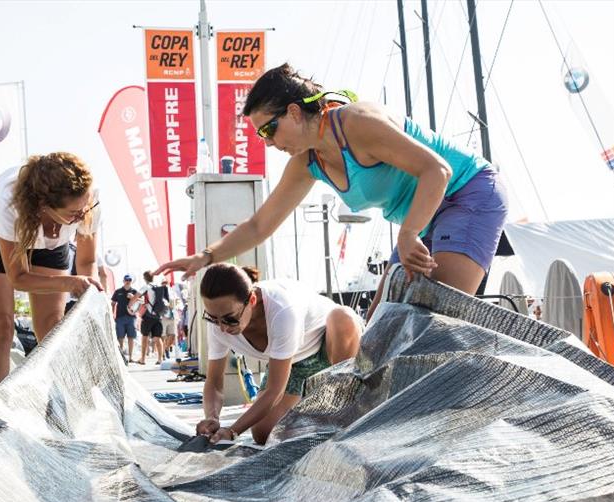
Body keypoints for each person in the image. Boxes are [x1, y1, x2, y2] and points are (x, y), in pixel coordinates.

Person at [156, 63, 509, 320]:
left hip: (468, 191)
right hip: (426, 218)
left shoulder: (357, 122)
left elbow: (438, 170)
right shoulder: (306, 162)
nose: (268, 143)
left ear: (294, 112)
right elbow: (259, 227)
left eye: (268, 131)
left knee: (438, 316)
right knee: (380, 321)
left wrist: (408, 233)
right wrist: (205, 257)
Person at [0, 152, 102, 398]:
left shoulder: (86, 201)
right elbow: (18, 278)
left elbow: (87, 260)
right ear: (44, 206)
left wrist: (91, 295)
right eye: (74, 213)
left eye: (85, 207)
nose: (82, 216)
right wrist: (71, 282)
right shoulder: (7, 206)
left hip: (49, 245)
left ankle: (59, 406)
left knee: (52, 325)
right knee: (1, 325)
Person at [195, 264, 362, 445]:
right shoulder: (219, 325)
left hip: (328, 348)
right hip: (294, 365)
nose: (222, 328)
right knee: (262, 433)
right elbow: (214, 382)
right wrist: (212, 417)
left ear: (252, 300)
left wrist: (233, 430)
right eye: (213, 318)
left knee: (343, 317)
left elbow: (274, 391)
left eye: (230, 319)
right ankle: (315, 417)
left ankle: (346, 410)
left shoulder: (282, 310)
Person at [132, 271, 165, 365]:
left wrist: (130, 304)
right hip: (158, 316)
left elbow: (137, 297)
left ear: (145, 278)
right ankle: (160, 359)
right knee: (157, 338)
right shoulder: (158, 287)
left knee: (144, 337)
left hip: (148, 316)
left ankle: (142, 359)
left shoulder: (146, 287)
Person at [110, 274, 138, 361]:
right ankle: (121, 358)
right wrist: (112, 315)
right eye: (126, 280)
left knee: (131, 338)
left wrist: (133, 297)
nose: (128, 281)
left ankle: (130, 357)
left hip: (131, 318)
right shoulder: (118, 291)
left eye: (129, 280)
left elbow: (142, 302)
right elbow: (113, 303)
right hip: (120, 318)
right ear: (123, 281)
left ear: (131, 281)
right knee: (120, 338)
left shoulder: (135, 291)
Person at [160, 279, 177, 358]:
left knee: (172, 335)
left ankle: (166, 348)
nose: (165, 284)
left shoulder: (172, 292)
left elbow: (175, 303)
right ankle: (163, 353)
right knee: (163, 336)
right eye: (163, 283)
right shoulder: (159, 293)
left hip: (172, 316)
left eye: (166, 283)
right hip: (162, 317)